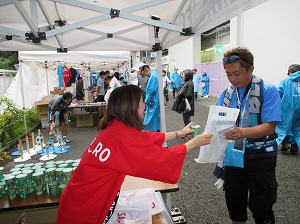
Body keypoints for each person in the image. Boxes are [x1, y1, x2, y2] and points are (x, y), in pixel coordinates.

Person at [56, 85, 213, 224]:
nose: (145, 105)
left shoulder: (114, 129)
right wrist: (193, 143)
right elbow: (161, 160)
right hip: (83, 211)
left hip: (78, 202)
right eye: (141, 102)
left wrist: (180, 132)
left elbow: (146, 138)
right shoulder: (123, 135)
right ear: (130, 106)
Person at [214, 47, 281, 224]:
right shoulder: (227, 94)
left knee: (261, 205)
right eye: (228, 74)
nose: (232, 79)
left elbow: (269, 127)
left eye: (236, 73)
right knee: (235, 205)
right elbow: (216, 122)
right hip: (234, 156)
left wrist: (242, 132)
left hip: (260, 155)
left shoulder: (268, 90)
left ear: (250, 69)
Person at [276, 64, 300, 154]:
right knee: (297, 126)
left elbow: (279, 94)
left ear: (290, 71)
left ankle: (285, 143)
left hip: (288, 107)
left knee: (284, 125)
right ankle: (295, 145)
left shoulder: (285, 81)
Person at [142, 65, 160, 131]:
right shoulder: (156, 75)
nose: (145, 75)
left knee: (151, 117)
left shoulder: (153, 76)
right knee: (156, 117)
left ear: (146, 70)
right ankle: (156, 131)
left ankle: (153, 133)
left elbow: (150, 90)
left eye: (144, 74)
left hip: (153, 100)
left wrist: (146, 100)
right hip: (157, 99)